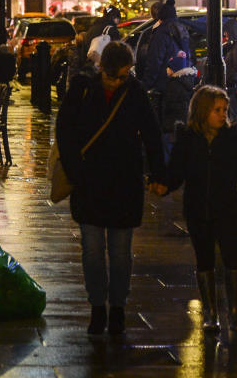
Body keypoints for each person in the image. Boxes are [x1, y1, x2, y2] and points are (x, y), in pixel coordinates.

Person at [56, 41, 164, 335]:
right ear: (101, 68)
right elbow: (64, 131)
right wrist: (74, 171)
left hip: (124, 183)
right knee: (91, 251)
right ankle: (97, 307)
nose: (119, 81)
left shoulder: (134, 91)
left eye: (124, 76)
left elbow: (152, 134)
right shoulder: (82, 88)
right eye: (113, 76)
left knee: (120, 252)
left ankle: (117, 307)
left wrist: (158, 174)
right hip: (89, 182)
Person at [151, 85, 237, 331]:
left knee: (232, 256)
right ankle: (210, 311)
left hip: (226, 208)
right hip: (196, 209)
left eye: (224, 110)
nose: (222, 114)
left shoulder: (233, 140)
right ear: (202, 110)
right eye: (216, 110)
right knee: (204, 259)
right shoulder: (187, 140)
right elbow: (176, 171)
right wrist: (164, 185)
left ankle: (235, 311)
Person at [141, 0, 193, 124]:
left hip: (165, 86)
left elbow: (155, 61)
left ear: (161, 17)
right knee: (179, 124)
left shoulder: (161, 33)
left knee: (165, 126)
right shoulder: (183, 30)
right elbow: (191, 57)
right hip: (184, 83)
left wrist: (146, 84)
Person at [161, 51, 198, 159]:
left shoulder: (174, 84)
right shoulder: (187, 81)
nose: (167, 70)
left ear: (174, 69)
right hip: (183, 120)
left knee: (167, 146)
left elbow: (169, 104)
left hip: (172, 122)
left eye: (169, 68)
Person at [134, 1, 163, 82]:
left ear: (152, 14)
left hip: (150, 78)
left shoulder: (147, 33)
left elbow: (140, 58)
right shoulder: (175, 29)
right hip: (169, 80)